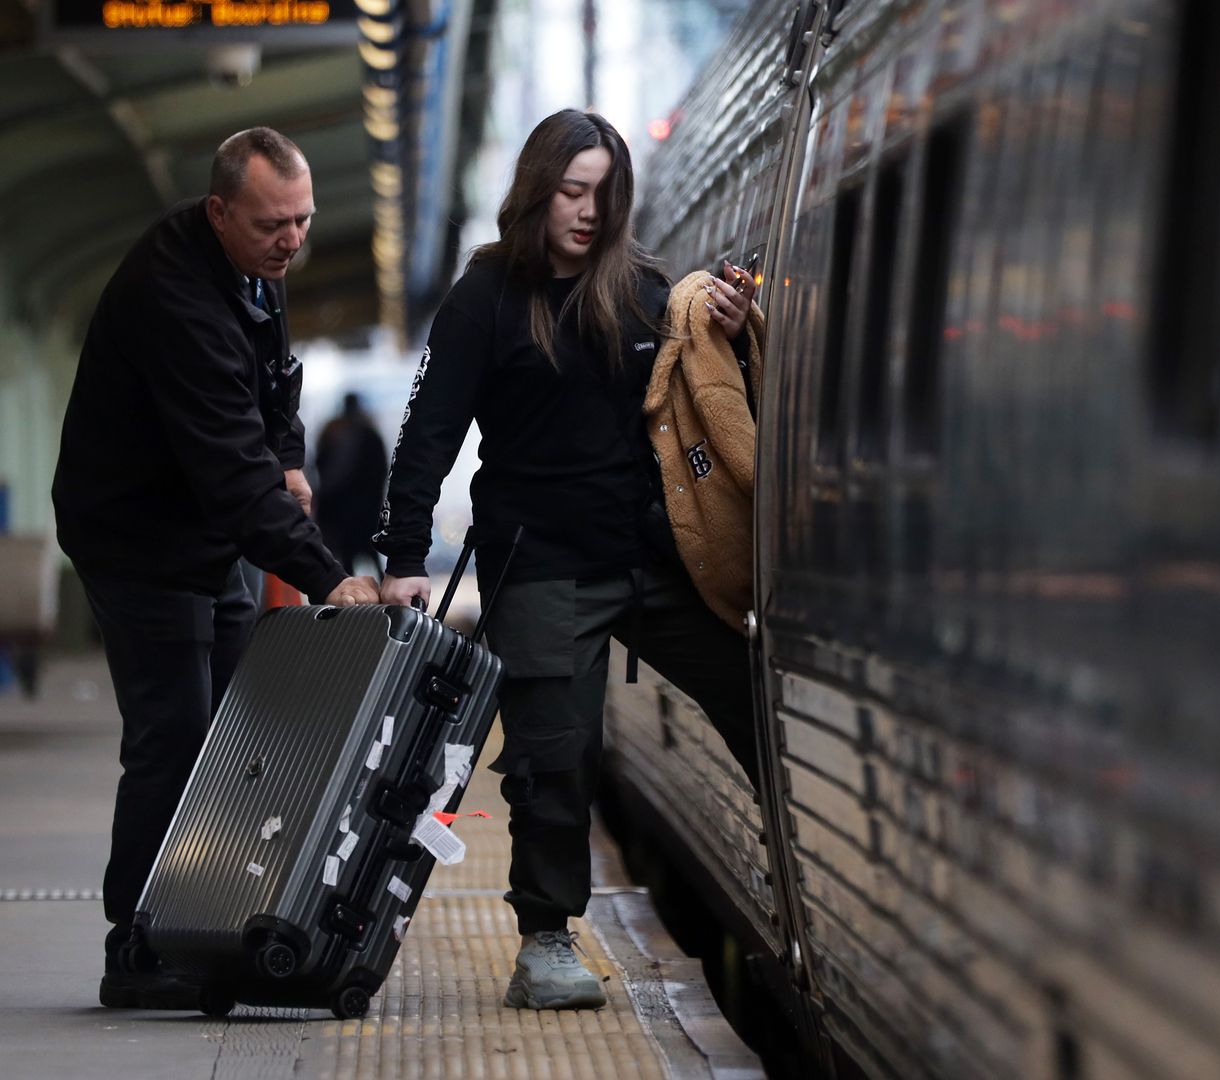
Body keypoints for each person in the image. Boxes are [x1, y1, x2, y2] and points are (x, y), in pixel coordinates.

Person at [373, 109, 763, 1011]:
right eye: (572, 190)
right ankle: (545, 939)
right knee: (556, 758)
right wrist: (401, 554)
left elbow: (700, 391)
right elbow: (426, 435)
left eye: (603, 194)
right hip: (540, 565)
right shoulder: (485, 299)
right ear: (539, 188)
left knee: (751, 687)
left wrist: (732, 330)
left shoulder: (643, 290)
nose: (587, 212)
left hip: (649, 560)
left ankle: (799, 862)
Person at [51, 127, 382, 1010]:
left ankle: (213, 917)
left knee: (237, 736)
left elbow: (273, 385)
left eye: (304, 220)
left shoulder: (254, 271)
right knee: (174, 735)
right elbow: (232, 473)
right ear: (218, 211)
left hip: (209, 536)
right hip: (136, 541)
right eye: (276, 223)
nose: (293, 240)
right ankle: (140, 944)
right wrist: (327, 575)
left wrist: (294, 456)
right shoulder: (174, 296)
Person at [314, 392, 389, 574]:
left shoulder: (333, 432)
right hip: (365, 512)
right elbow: (382, 471)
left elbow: (319, 465)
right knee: (371, 556)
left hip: (340, 513)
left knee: (344, 562)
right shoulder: (370, 433)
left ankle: (349, 598)